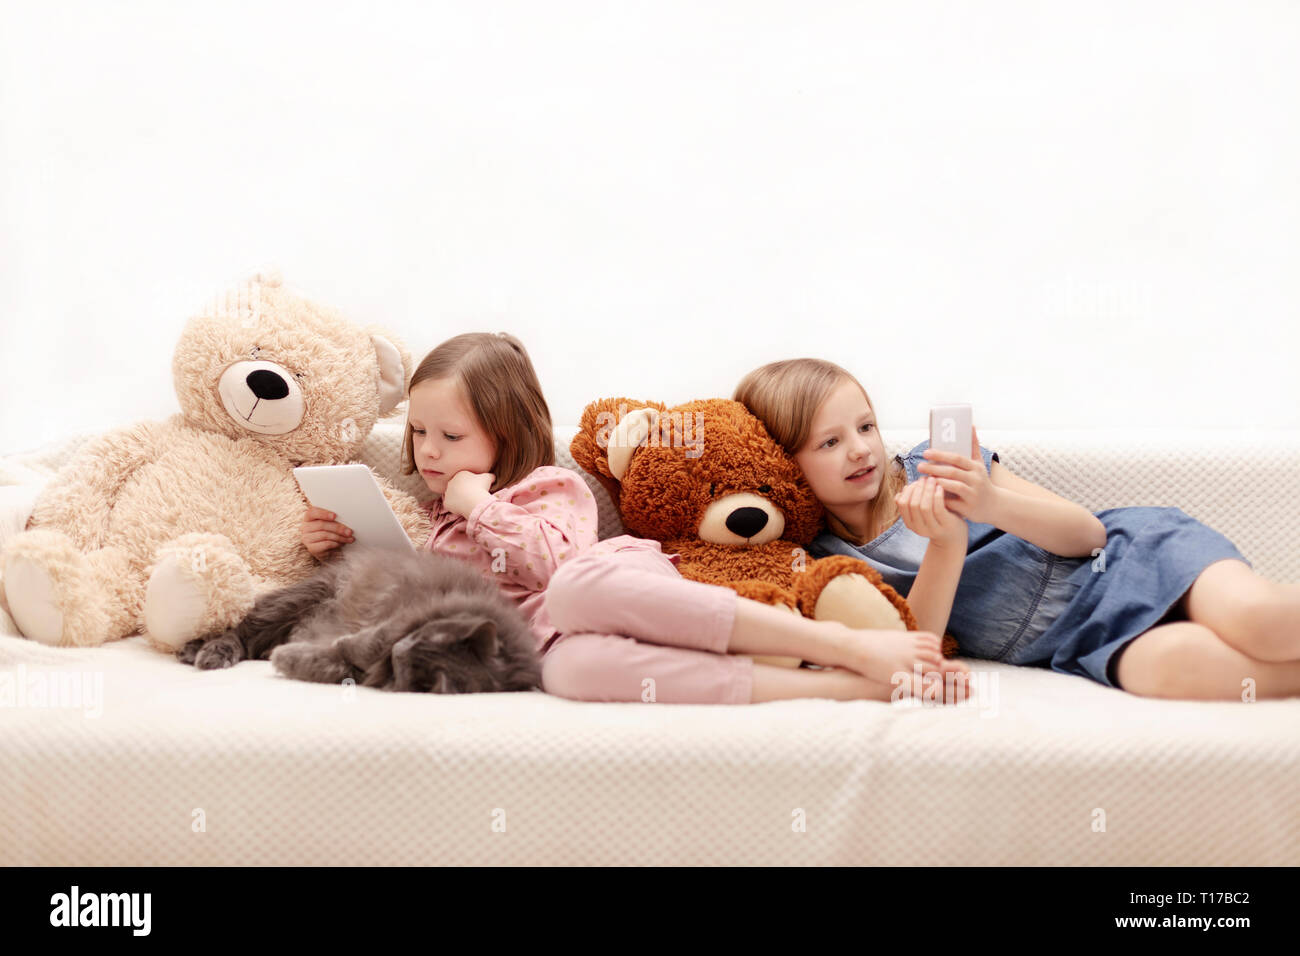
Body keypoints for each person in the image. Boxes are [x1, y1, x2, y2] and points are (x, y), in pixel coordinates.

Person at [300, 332, 969, 704]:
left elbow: (555, 564)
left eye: (449, 435)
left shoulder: (547, 487)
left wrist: (481, 507)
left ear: (507, 432)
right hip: (551, 643)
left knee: (571, 589)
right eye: (417, 434)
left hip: (612, 591)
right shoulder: (427, 519)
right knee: (568, 675)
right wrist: (338, 550)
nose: (428, 452)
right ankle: (852, 688)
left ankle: (845, 646)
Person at [734, 357, 1300, 700]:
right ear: (786, 465)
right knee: (1174, 671)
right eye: (829, 442)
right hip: (1082, 638)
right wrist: (946, 544)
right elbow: (915, 650)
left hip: (1135, 558)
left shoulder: (939, 464)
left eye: (866, 426)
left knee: (1261, 621)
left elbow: (1089, 536)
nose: (860, 450)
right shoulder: (826, 561)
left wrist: (989, 500)